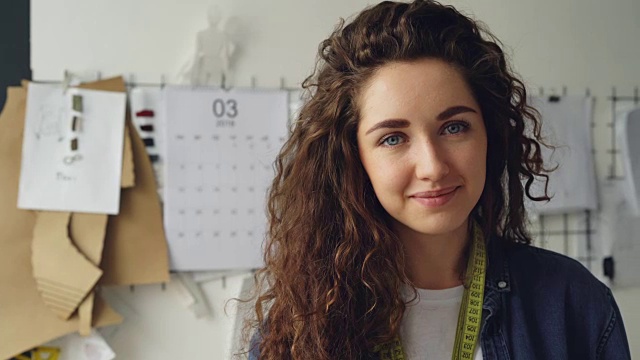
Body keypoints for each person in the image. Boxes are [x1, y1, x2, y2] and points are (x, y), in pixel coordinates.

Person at [243, 1, 632, 359]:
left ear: (490, 136)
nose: (432, 166)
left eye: (454, 127)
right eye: (393, 138)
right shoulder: (300, 330)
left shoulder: (571, 303)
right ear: (353, 157)